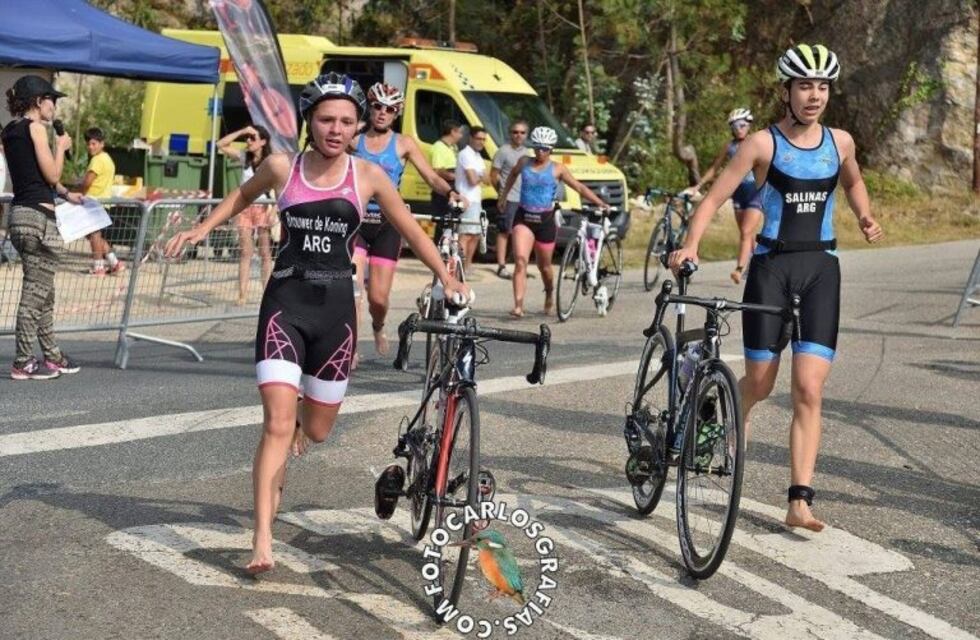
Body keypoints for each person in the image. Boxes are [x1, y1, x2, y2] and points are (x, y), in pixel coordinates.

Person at [165, 72, 468, 576]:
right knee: (276, 425)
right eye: (326, 119)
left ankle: (306, 414)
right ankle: (262, 537)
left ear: (356, 127)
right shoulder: (282, 167)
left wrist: (446, 275)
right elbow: (242, 196)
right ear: (310, 120)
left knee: (318, 431)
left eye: (346, 121)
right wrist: (202, 227)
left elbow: (410, 229)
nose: (336, 129)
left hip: (335, 315)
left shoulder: (368, 176)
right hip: (285, 303)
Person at [668, 45, 884, 532]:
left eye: (822, 87)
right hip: (771, 267)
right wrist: (690, 245)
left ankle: (799, 500)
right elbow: (716, 197)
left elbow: (852, 183)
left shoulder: (841, 142)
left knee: (809, 387)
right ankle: (718, 415)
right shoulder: (762, 145)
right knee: (761, 384)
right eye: (805, 86)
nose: (814, 96)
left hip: (821, 269)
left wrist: (865, 215)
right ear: (786, 91)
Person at [351, 83, 462, 356]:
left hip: (389, 224)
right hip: (357, 223)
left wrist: (450, 192)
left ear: (397, 112)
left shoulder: (403, 143)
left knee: (378, 298)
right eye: (377, 106)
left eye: (389, 109)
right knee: (351, 290)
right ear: (369, 106)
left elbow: (432, 177)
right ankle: (349, 346)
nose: (382, 113)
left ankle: (378, 325)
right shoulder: (353, 140)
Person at [2, 75, 83, 380]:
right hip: (39, 220)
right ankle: (23, 361)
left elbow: (33, 172)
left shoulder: (11, 130)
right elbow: (50, 173)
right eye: (52, 99)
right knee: (35, 295)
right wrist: (61, 147)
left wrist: (65, 193)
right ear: (38, 101)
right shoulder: (36, 128)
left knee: (44, 292)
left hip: (21, 215)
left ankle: (52, 356)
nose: (54, 106)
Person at [497, 126, 608, 318]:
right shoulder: (524, 162)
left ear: (551, 149)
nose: (541, 151)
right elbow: (512, 175)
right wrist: (503, 196)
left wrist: (600, 203)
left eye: (545, 148)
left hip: (546, 220)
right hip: (524, 217)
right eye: (538, 147)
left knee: (545, 266)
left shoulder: (558, 168)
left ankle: (549, 292)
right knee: (521, 261)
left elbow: (579, 187)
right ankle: (518, 305)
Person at [686, 109, 764, 285]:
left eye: (742, 125)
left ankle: (739, 269)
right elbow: (715, 168)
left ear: (749, 124)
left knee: (746, 231)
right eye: (734, 126)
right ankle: (756, 264)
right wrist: (698, 186)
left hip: (755, 192)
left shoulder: (756, 142)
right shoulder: (730, 146)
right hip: (738, 192)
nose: (738, 129)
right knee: (747, 233)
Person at [217, 124, 275, 304]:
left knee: (265, 253)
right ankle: (242, 294)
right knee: (246, 252)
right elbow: (221, 145)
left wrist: (274, 210)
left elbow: (277, 188)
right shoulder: (245, 158)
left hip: (264, 207)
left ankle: (267, 293)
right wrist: (242, 131)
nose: (249, 141)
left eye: (253, 138)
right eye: (247, 138)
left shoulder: (271, 161)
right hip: (245, 208)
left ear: (263, 142)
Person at [79, 127, 124, 277]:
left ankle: (99, 267)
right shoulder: (108, 159)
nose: (90, 147)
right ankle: (115, 263)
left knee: (94, 236)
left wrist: (80, 195)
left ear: (101, 143)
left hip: (93, 202)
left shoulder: (97, 160)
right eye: (89, 144)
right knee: (93, 235)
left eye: (93, 143)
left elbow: (88, 182)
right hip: (103, 203)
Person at [490, 119, 530, 279]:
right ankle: (501, 266)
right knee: (504, 231)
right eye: (515, 132)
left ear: (526, 135)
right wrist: (501, 194)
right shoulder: (503, 151)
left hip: (524, 199)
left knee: (521, 233)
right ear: (510, 133)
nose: (518, 135)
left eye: (522, 132)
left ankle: (519, 267)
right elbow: (493, 175)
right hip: (509, 198)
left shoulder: (528, 153)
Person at [454, 125, 490, 270]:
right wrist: (479, 176)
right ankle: (459, 267)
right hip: (466, 199)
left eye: (483, 139)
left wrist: (478, 176)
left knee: (475, 235)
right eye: (478, 138)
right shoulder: (465, 154)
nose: (481, 142)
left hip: (476, 200)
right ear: (471, 138)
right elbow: (472, 180)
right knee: (465, 235)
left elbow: (487, 179)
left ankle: (466, 268)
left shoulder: (478, 156)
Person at [429, 119, 463, 219]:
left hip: (454, 190)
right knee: (443, 222)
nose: (461, 136)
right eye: (460, 132)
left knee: (454, 221)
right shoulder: (438, 147)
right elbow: (437, 171)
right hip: (443, 191)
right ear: (453, 131)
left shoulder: (454, 147)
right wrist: (455, 176)